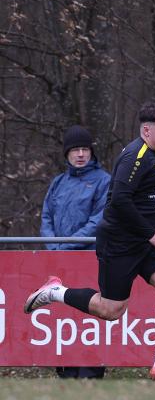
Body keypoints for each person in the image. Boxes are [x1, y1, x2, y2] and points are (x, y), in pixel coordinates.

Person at [24, 100, 155, 381]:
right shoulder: (135, 157)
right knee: (111, 309)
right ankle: (55, 292)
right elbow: (119, 201)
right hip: (121, 242)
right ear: (147, 130)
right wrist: (151, 233)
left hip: (147, 241)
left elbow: (148, 203)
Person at [40, 125, 111, 379]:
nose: (80, 154)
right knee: (63, 314)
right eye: (75, 150)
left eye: (85, 149)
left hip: (91, 259)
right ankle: (65, 366)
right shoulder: (58, 183)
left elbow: (99, 220)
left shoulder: (104, 180)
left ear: (91, 152)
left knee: (90, 313)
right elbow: (46, 217)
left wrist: (66, 245)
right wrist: (53, 248)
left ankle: (91, 369)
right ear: (67, 153)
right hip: (60, 262)